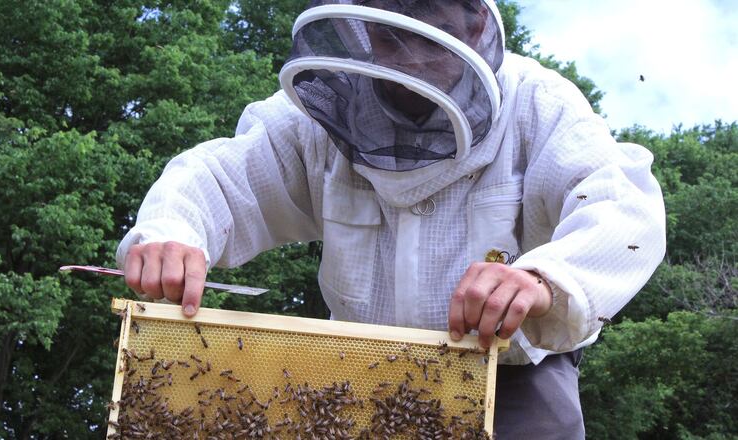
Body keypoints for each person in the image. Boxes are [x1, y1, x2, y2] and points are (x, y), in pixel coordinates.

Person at [116, 0, 666, 438]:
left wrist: (543, 279)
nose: (410, 60)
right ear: (360, 26)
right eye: (390, 34)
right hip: (353, 381)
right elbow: (221, 177)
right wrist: (173, 234)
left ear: (476, 25)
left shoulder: (537, 104)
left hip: (512, 378)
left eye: (431, 33)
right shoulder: (317, 115)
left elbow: (620, 202)